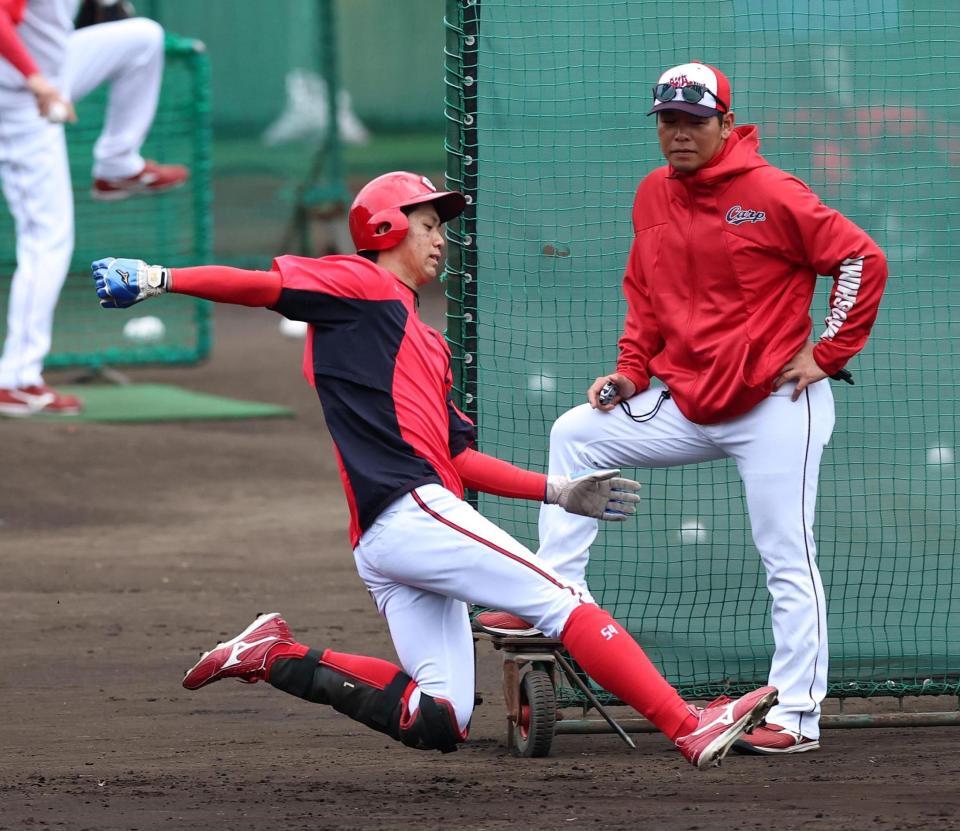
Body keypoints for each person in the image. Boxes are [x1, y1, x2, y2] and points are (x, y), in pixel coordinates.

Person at [91, 170, 778, 768]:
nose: (440, 237)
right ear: (386, 226)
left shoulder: (421, 337)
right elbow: (265, 286)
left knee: (439, 716)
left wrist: (560, 489)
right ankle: (689, 726)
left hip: (392, 534)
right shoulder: (360, 282)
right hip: (409, 511)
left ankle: (272, 654)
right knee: (562, 600)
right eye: (426, 223)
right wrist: (161, 279)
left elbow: (457, 457)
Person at [476, 62, 888, 755]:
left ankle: (798, 714)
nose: (679, 133)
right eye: (668, 120)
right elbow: (645, 292)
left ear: (726, 122)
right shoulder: (652, 196)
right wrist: (632, 371)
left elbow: (860, 259)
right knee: (576, 433)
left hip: (776, 402)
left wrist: (829, 352)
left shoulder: (771, 191)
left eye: (694, 120)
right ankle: (554, 594)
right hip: (689, 397)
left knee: (787, 554)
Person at [0, 0, 188, 416]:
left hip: (50, 68)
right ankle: (16, 379)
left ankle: (118, 164)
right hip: (17, 97)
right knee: (46, 240)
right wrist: (35, 80)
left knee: (142, 37)